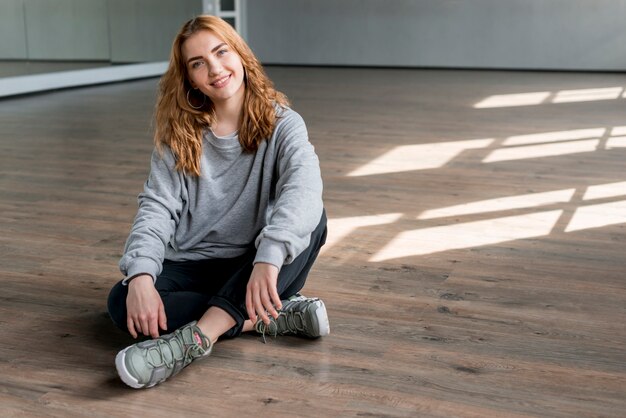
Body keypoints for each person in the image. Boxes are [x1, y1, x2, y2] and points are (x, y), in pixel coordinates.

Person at [106, 15, 329, 389]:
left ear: (239, 53)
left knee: (313, 217)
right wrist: (142, 276)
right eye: (198, 63)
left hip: (253, 262)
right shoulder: (178, 136)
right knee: (122, 301)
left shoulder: (284, 125)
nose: (214, 69)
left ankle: (195, 340)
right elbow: (156, 208)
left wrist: (269, 256)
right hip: (194, 262)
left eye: (220, 52)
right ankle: (264, 316)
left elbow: (304, 187)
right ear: (189, 78)